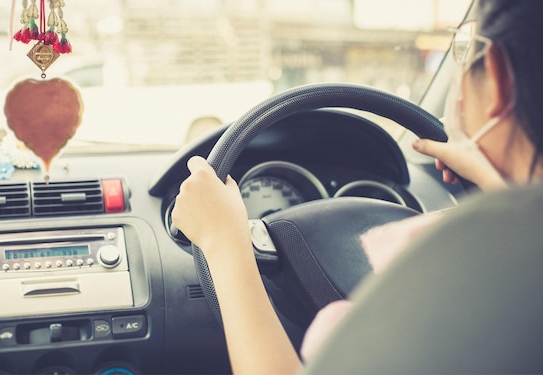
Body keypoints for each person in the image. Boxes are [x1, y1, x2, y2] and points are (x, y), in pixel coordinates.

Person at [171, 1, 543, 374]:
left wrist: (225, 245)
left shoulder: (451, 278)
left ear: (496, 79)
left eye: (464, 47)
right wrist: (506, 185)